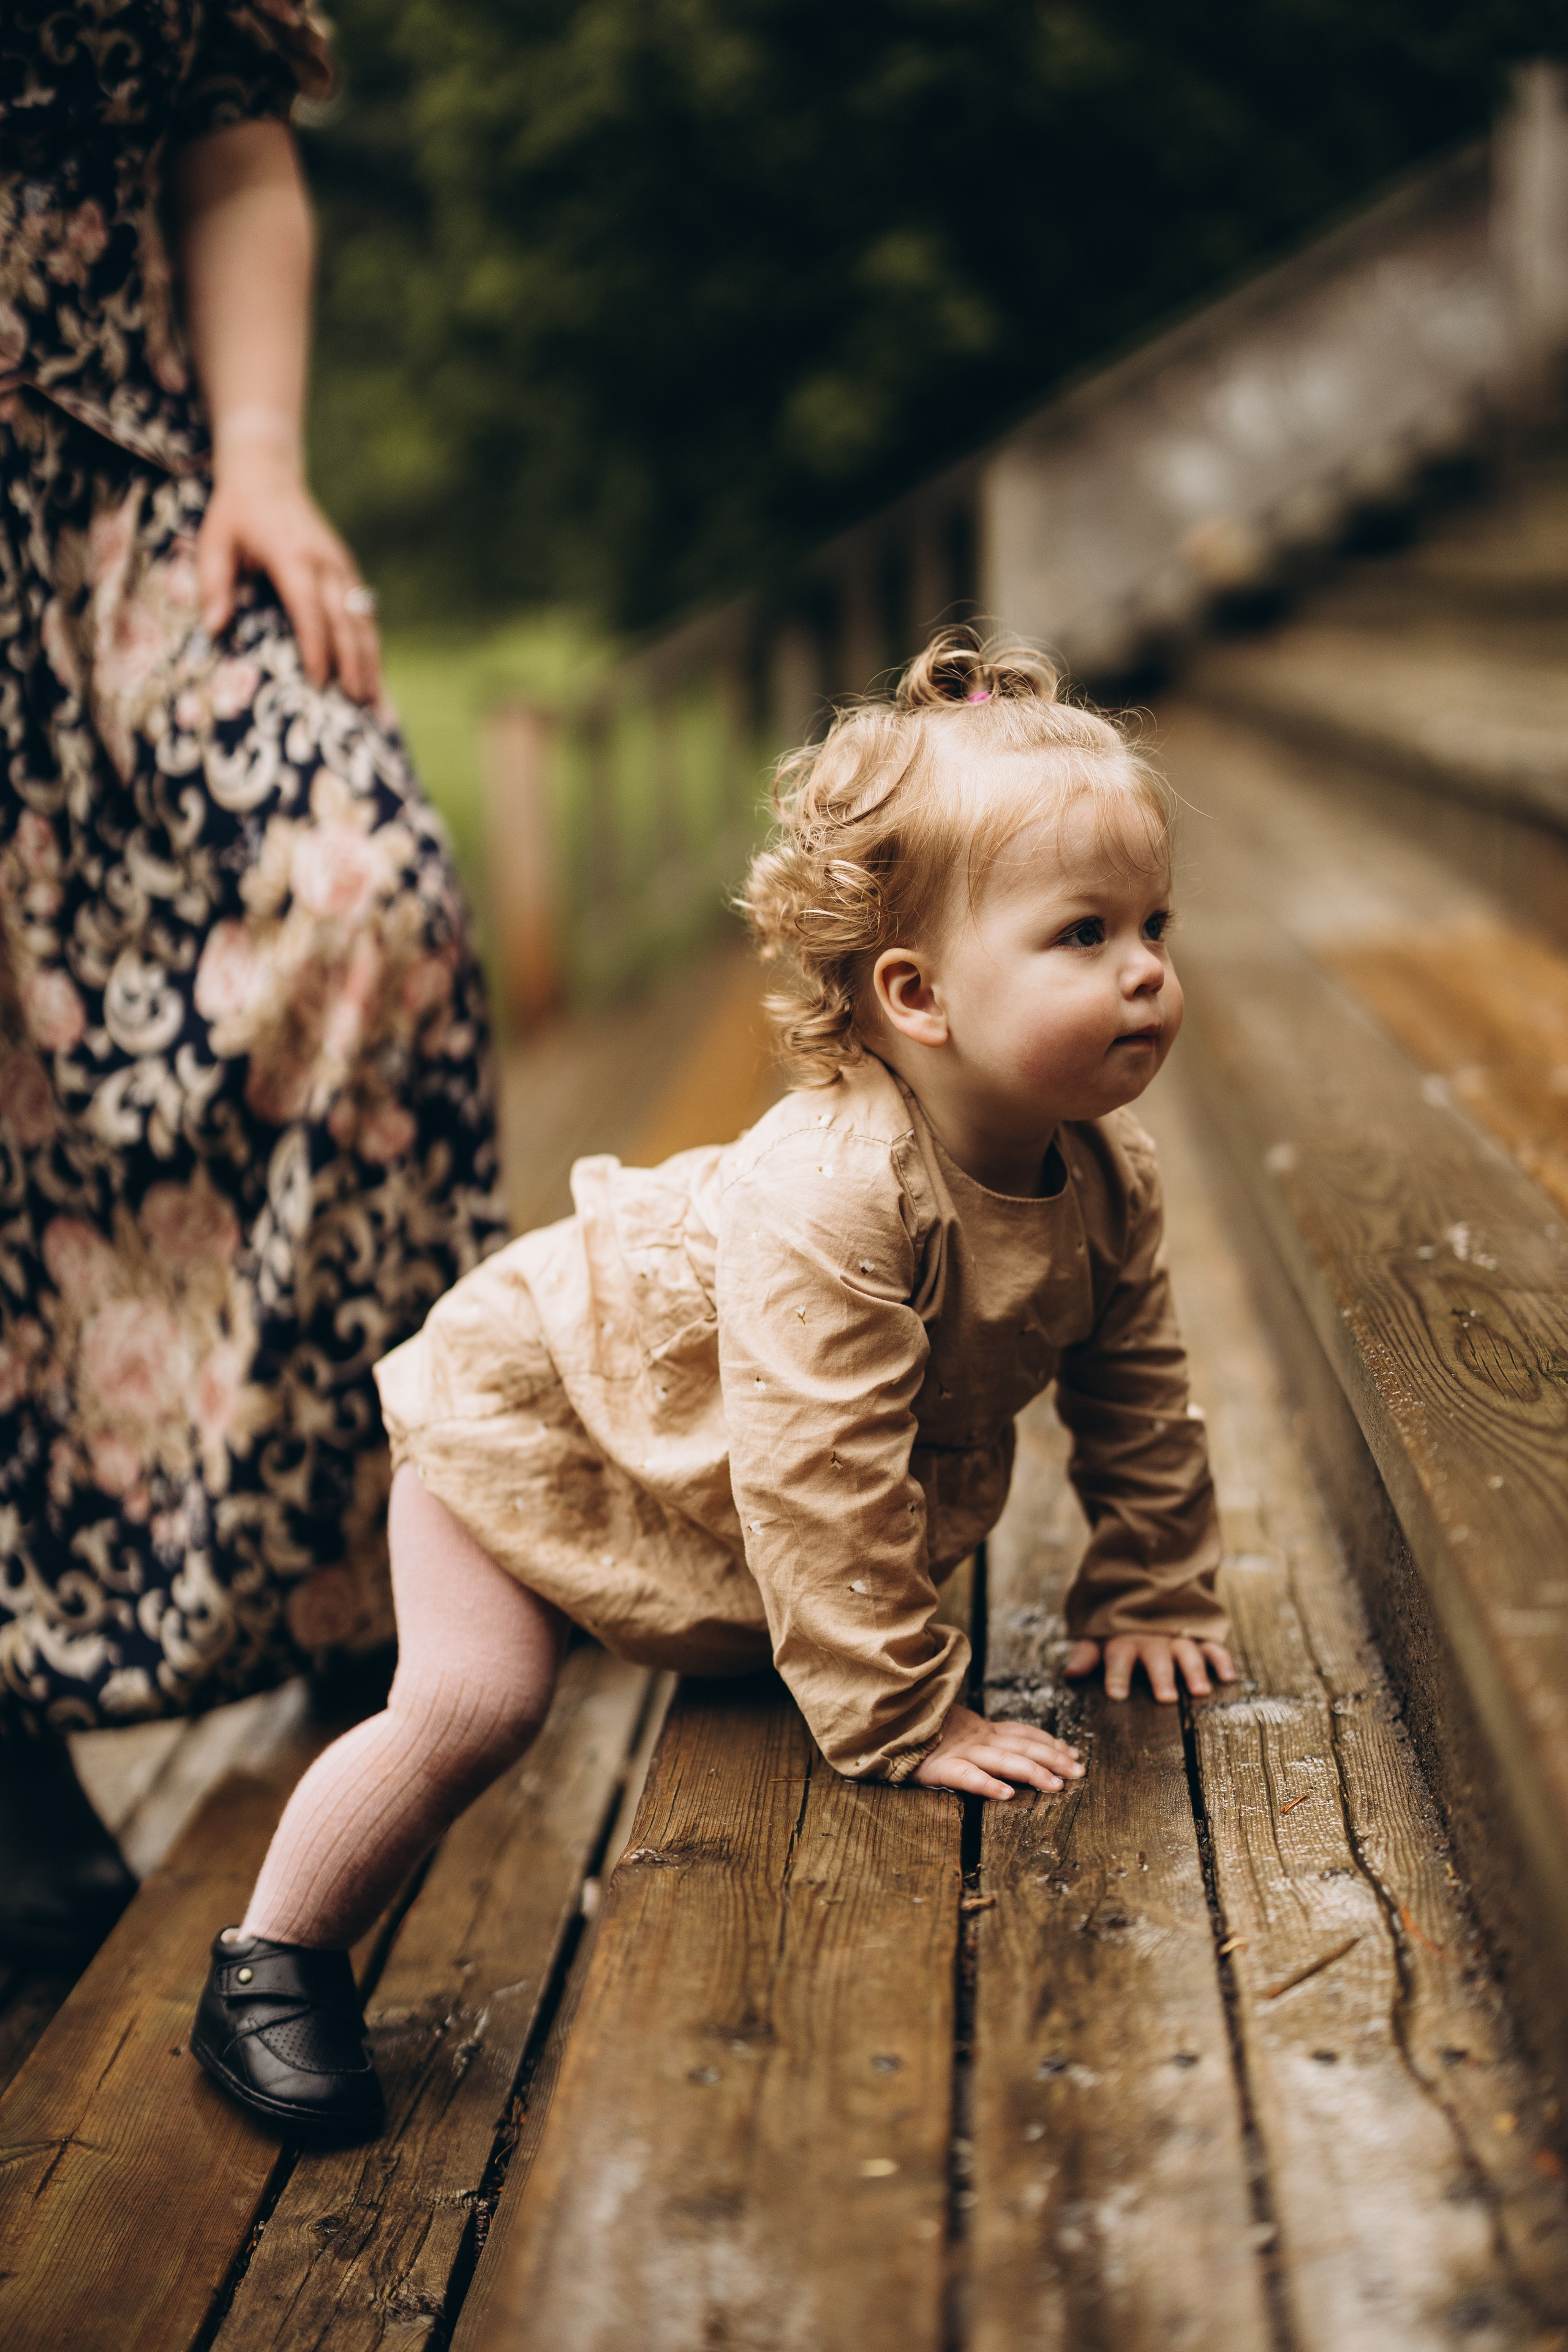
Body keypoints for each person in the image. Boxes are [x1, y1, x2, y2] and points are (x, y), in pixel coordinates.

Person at [191, 630, 1237, 2143]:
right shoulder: (833, 1197)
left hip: (696, 1469)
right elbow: (817, 1473)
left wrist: (1148, 1587)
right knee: (479, 1702)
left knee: (740, 1613)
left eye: (1154, 925)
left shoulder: (1102, 1172)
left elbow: (1137, 1386)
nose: (1144, 970)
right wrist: (900, 1717)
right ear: (917, 994)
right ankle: (271, 1959)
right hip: (543, 1420)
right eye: (1082, 935)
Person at [0, 2, 506, 1964]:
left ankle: (373, 1578)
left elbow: (227, 145)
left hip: (133, 507)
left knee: (361, 893)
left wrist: (263, 459)